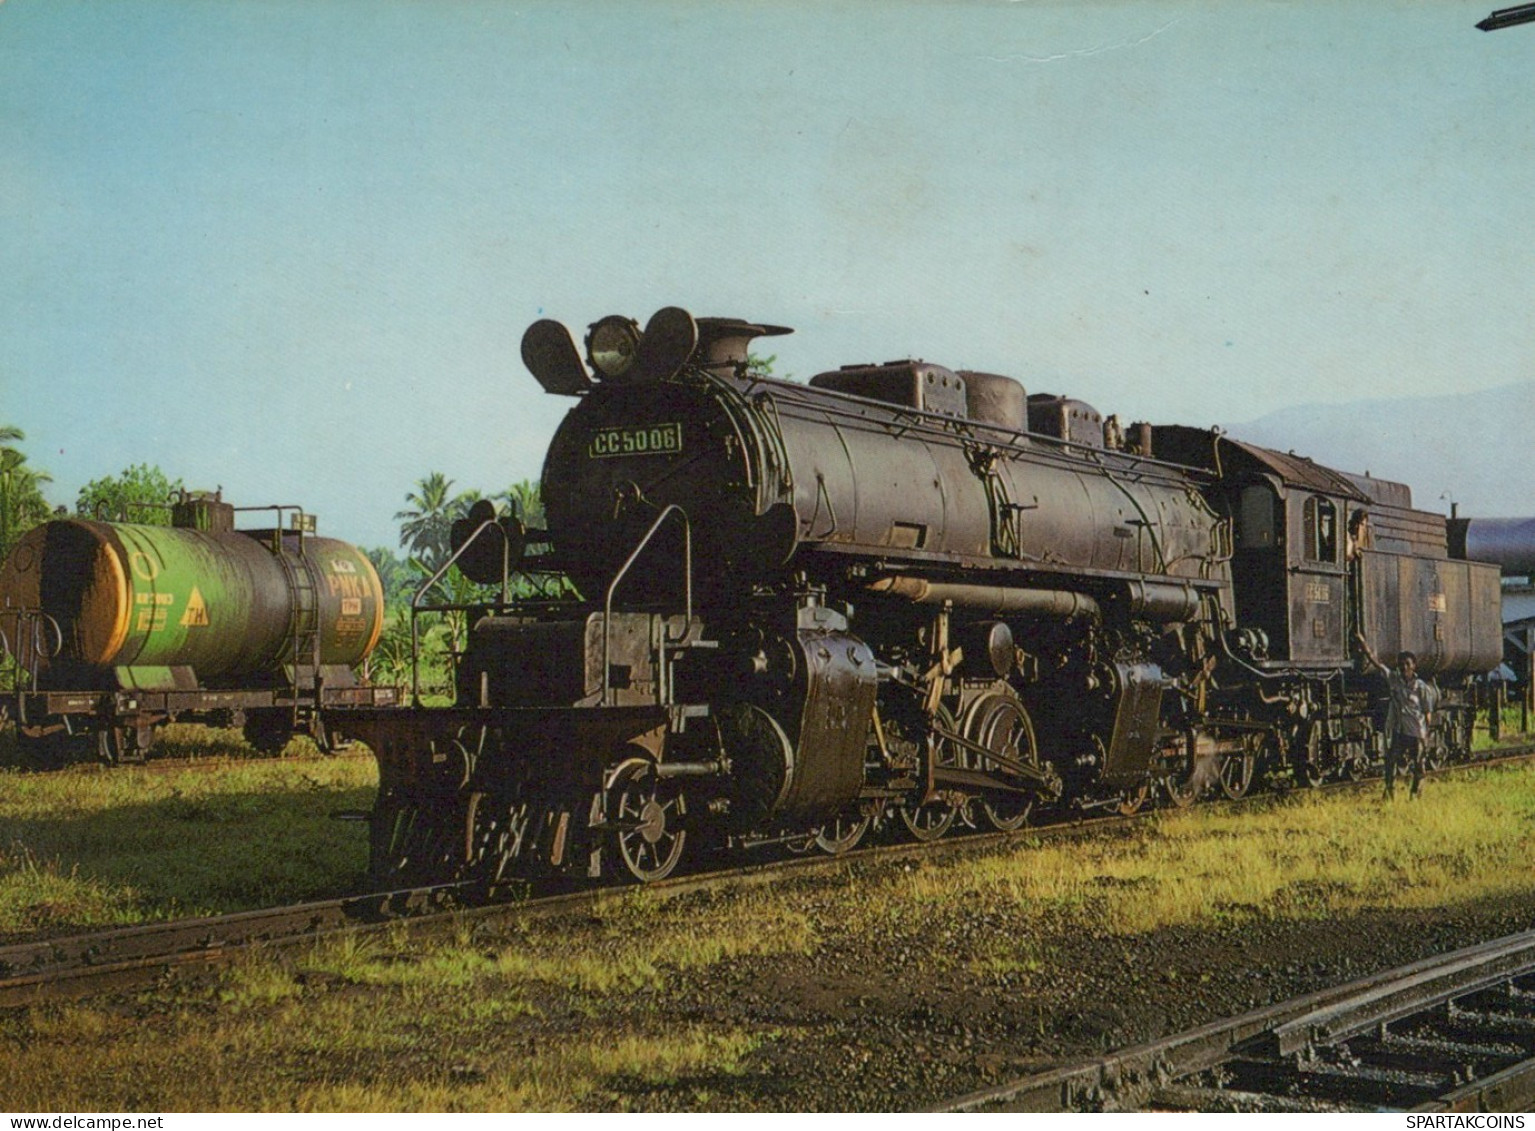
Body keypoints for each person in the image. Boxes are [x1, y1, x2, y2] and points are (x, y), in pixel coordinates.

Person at [1356, 633, 1438, 798]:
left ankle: (1416, 794)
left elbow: (1427, 712)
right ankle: (1389, 792)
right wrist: (1363, 643)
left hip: (1417, 732)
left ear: (1414, 666)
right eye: (1401, 665)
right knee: (1390, 760)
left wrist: (1426, 735)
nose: (1404, 668)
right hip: (1400, 731)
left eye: (1407, 664)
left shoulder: (1421, 688)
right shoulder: (1394, 679)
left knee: (1419, 765)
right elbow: (1376, 662)